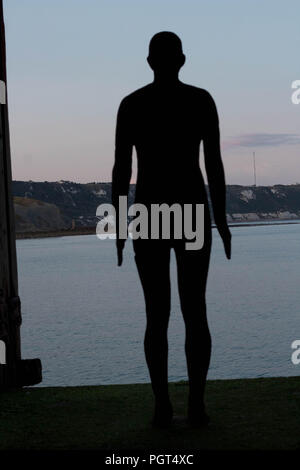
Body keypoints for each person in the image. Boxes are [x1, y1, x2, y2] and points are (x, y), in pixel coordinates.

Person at [112, 31, 231, 428]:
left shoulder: (132, 105)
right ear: (183, 61)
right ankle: (195, 406)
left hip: (148, 213)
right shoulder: (200, 100)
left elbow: (121, 170)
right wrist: (223, 218)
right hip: (193, 209)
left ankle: (163, 407)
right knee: (195, 310)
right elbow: (213, 164)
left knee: (156, 314)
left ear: (149, 62)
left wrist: (118, 224)